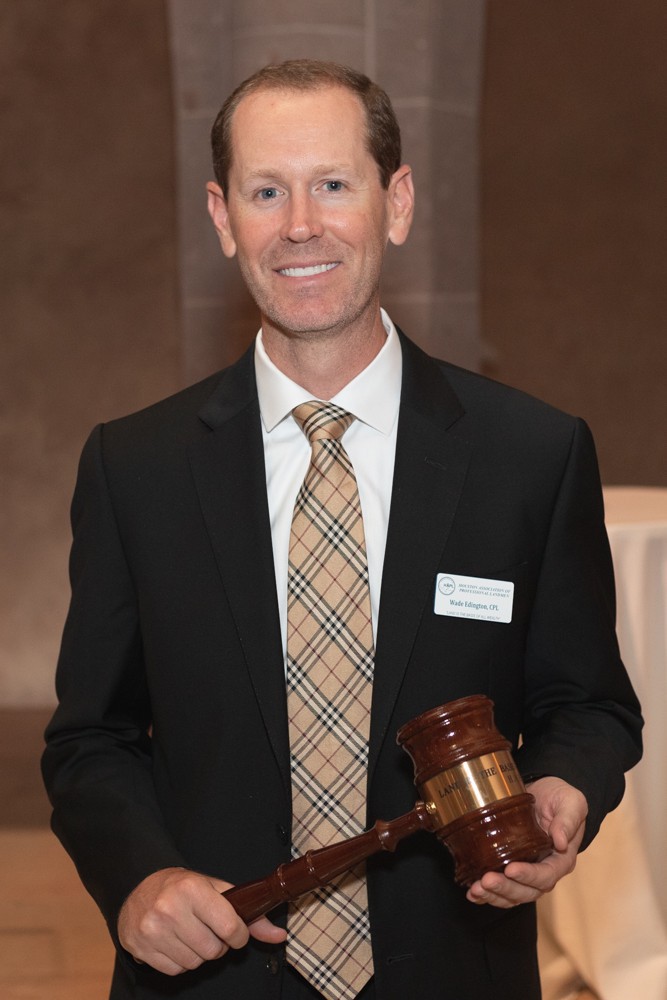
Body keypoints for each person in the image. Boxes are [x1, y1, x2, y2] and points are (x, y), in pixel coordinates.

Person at [42, 59, 642, 1000]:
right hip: (206, 976)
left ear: (395, 203)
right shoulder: (136, 468)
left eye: (331, 184)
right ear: (221, 217)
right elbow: (91, 737)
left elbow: (589, 707)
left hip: (456, 969)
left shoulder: (531, 454)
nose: (299, 225)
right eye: (265, 192)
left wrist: (562, 790)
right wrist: (139, 878)